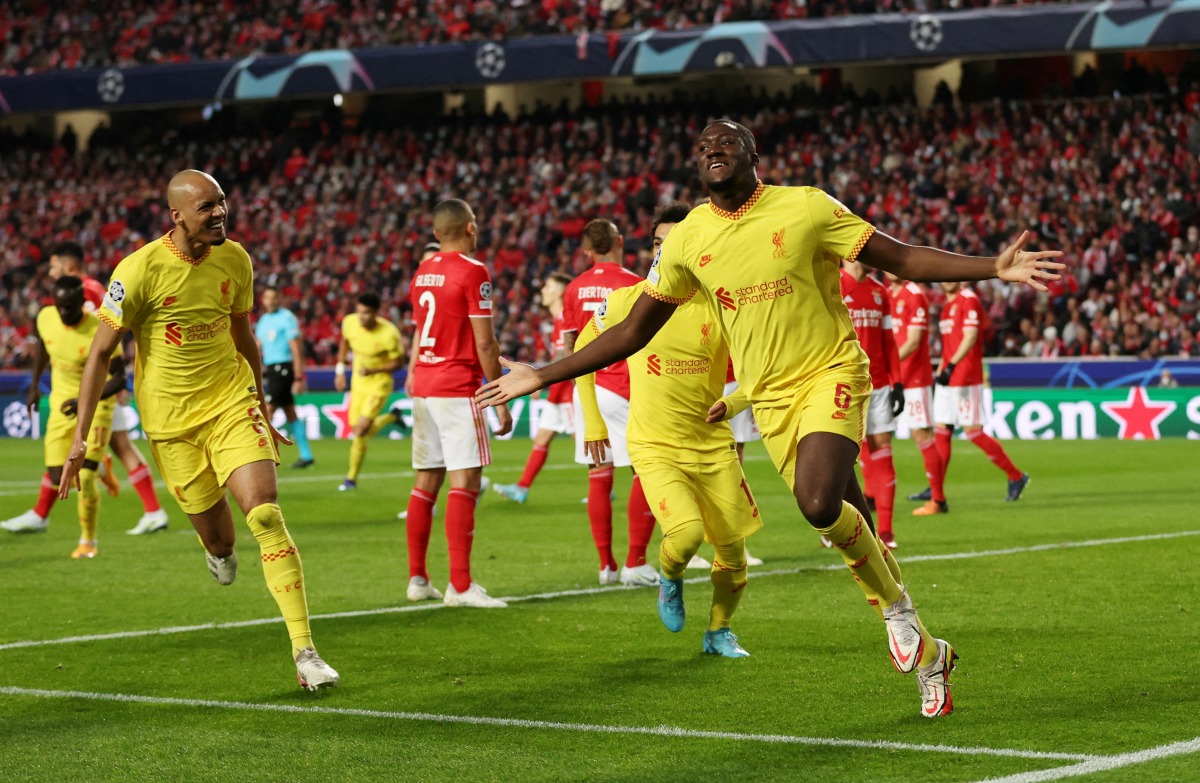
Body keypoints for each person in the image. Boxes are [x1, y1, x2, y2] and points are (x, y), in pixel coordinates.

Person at [477, 120, 1063, 717]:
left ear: (752, 154)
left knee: (816, 503)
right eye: (702, 146)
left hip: (831, 372)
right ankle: (931, 655)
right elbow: (631, 331)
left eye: (724, 143)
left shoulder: (806, 207)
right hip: (770, 399)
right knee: (848, 516)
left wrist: (993, 267)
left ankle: (898, 613)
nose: (712, 151)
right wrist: (541, 374)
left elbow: (902, 258)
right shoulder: (685, 241)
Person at [57, 169, 339, 691]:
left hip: (230, 402)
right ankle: (218, 552)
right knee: (223, 540)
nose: (220, 213)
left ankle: (306, 653)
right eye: (207, 207)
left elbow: (244, 338)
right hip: (171, 424)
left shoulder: (236, 259)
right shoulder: (137, 270)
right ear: (177, 216)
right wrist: (79, 440)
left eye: (223, 203)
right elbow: (101, 353)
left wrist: (260, 403)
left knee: (267, 515)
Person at [576, 202, 762, 657]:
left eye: (674, 244)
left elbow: (762, 368)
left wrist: (734, 400)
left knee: (734, 557)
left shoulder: (723, 307)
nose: (664, 252)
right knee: (686, 535)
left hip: (713, 447)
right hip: (655, 445)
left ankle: (719, 631)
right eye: (659, 244)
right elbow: (582, 348)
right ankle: (669, 576)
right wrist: (595, 421)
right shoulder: (626, 301)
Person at [402, 198, 512, 608]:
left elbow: (418, 332)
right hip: (457, 384)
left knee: (426, 481)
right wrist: (498, 392)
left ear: (435, 233)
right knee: (465, 482)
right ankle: (461, 587)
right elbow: (485, 340)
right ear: (470, 228)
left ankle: (417, 579)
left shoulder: (422, 273)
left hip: (425, 386)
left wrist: (414, 374)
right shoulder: (473, 271)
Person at [45, 241, 169, 535]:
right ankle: (152, 510)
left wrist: (114, 375)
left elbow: (100, 337)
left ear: (68, 265)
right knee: (119, 444)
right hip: (102, 379)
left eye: (54, 266)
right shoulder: (97, 288)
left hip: (94, 384)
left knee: (108, 450)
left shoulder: (85, 292)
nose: (51, 273)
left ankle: (144, 504)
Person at [560, 219, 658, 588]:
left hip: (589, 388)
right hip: (625, 386)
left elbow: (569, 346)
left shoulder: (573, 289)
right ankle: (636, 561)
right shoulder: (634, 283)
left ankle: (606, 566)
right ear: (619, 241)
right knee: (643, 472)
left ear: (587, 251)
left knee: (598, 477)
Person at [1, 276, 125, 558]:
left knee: (86, 477)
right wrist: (34, 386)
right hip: (60, 404)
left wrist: (86, 400)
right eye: (60, 306)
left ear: (83, 303)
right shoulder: (45, 318)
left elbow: (119, 379)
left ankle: (88, 542)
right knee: (58, 476)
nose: (64, 313)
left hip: (96, 406)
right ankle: (103, 464)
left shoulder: (101, 329)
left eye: (70, 307)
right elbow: (44, 348)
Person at [933, 282, 1030, 501]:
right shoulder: (947, 306)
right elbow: (949, 343)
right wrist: (941, 368)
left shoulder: (969, 299)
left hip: (965, 374)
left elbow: (970, 337)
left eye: (952, 275)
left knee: (973, 431)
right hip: (948, 375)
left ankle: (1016, 476)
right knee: (941, 430)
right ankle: (935, 488)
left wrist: (951, 366)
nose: (946, 279)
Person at [493, 273, 575, 504]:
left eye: (547, 286)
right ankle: (522, 488)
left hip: (568, 391)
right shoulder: (557, 319)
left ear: (559, 292)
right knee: (541, 438)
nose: (542, 291)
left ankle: (605, 485)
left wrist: (540, 378)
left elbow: (564, 355)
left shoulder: (565, 317)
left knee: (585, 440)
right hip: (558, 391)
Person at [840, 258, 905, 550]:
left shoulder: (881, 291)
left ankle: (887, 532)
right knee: (840, 459)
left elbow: (889, 340)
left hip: (878, 384)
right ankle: (838, 528)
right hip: (843, 384)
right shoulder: (834, 283)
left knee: (883, 452)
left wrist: (898, 381)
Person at [887, 275, 948, 515]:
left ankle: (938, 499)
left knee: (922, 434)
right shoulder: (886, 293)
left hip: (914, 378)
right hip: (895, 377)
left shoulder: (914, 294)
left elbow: (913, 342)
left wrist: (887, 364)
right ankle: (871, 495)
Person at [334, 292, 404, 491]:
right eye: (359, 312)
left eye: (366, 313)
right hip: (358, 383)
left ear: (376, 313)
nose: (361, 317)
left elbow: (399, 362)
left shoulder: (389, 333)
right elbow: (345, 342)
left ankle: (351, 478)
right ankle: (391, 417)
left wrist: (374, 370)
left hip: (379, 384)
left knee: (362, 429)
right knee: (356, 429)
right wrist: (339, 371)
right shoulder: (350, 322)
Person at [256, 286, 315, 469]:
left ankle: (261, 455)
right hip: (271, 369)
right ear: (263, 300)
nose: (271, 301)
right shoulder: (263, 321)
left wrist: (298, 376)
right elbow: (258, 347)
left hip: (284, 368)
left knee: (269, 409)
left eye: (274, 297)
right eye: (267, 298)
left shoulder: (287, 318)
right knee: (290, 411)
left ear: (279, 298)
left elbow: (296, 349)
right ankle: (306, 454)